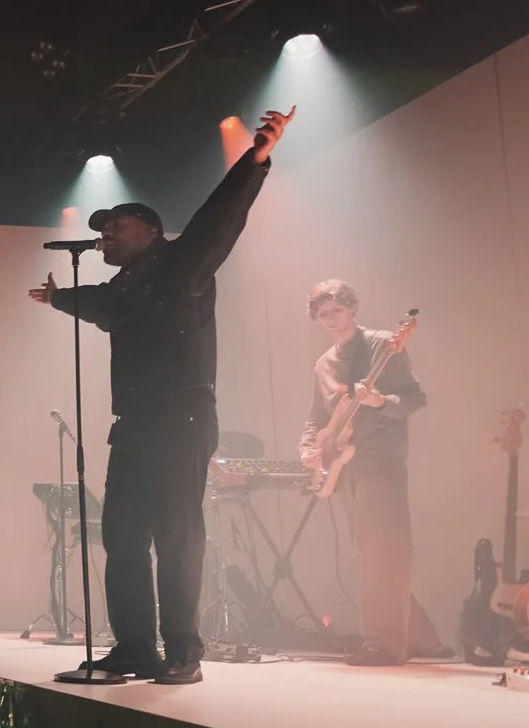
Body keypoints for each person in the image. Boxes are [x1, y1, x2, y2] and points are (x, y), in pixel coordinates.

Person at [28, 107, 296, 684]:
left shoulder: (182, 263)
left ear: (151, 230)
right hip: (134, 424)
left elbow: (220, 217)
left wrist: (255, 160)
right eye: (102, 228)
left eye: (117, 225)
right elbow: (95, 303)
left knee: (176, 534)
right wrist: (58, 299)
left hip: (182, 415)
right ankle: (134, 649)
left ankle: (182, 651)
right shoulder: (120, 289)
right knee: (123, 536)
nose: (105, 233)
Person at [298, 280, 444, 665]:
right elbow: (317, 417)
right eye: (322, 314)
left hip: (380, 459)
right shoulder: (323, 364)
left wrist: (380, 402)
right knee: (373, 553)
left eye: (337, 310)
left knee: (384, 550)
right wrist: (308, 448)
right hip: (343, 465)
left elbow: (414, 396)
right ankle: (422, 639)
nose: (331, 319)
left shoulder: (382, 344)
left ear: (352, 309)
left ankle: (385, 645)